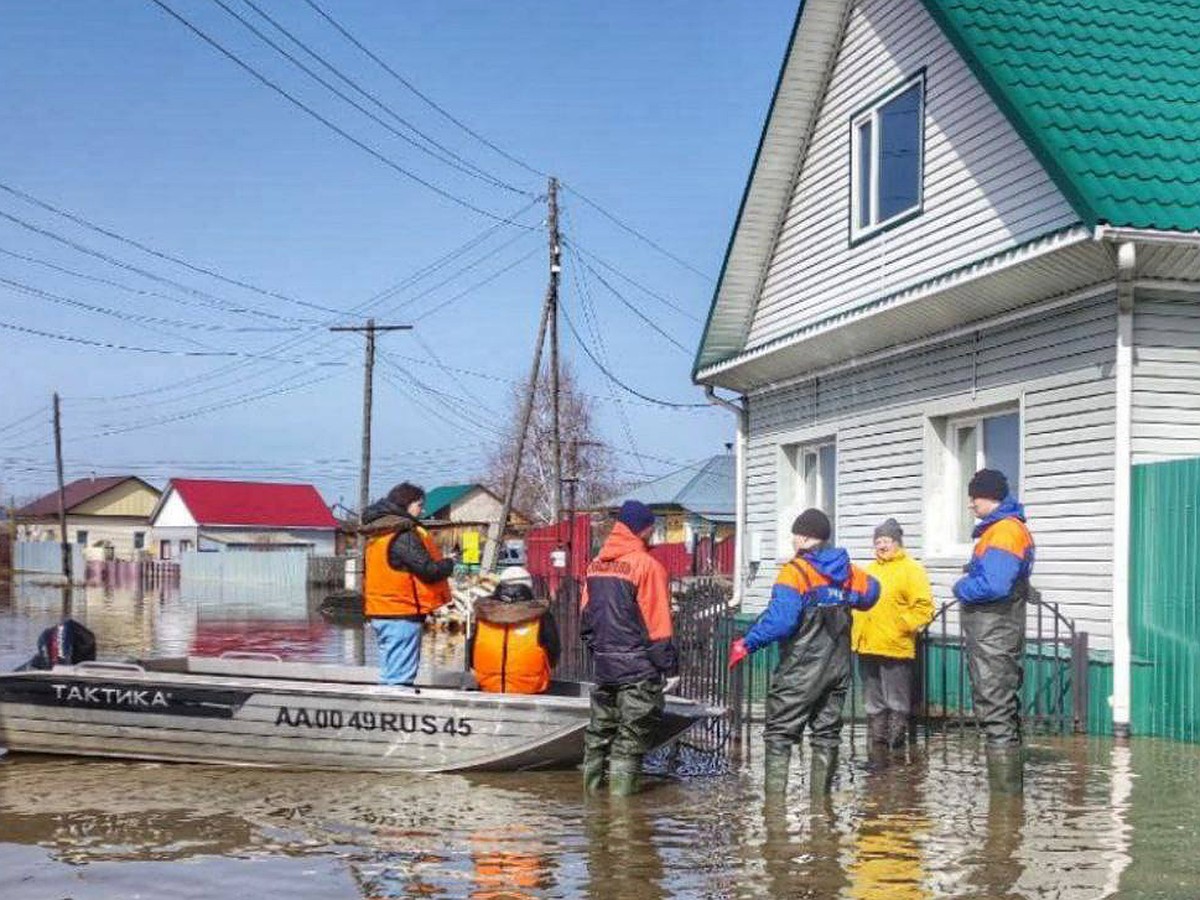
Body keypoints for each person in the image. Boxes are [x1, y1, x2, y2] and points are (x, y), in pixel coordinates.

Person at [728, 508, 879, 797]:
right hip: (837, 668)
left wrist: (746, 643)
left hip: (801, 668)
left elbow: (781, 622)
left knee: (779, 735)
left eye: (795, 534)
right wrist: (844, 594)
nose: (792, 539)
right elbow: (873, 593)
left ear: (805, 537)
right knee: (826, 734)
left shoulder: (794, 572)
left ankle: (775, 815)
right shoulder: (847, 572)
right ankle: (821, 813)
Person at [580, 499, 678, 796]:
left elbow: (585, 618)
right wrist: (668, 667)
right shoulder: (647, 567)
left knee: (597, 735)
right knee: (630, 741)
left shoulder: (595, 566)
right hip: (638, 670)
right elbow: (657, 624)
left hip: (605, 668)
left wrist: (600, 652)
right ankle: (622, 820)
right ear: (644, 529)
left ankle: (592, 810)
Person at [953, 468, 1034, 795]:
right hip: (995, 631)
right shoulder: (1003, 530)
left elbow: (996, 584)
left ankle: (1004, 811)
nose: (971, 504)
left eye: (975, 497)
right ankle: (1008, 804)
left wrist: (962, 586)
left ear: (990, 497)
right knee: (1000, 708)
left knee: (995, 708)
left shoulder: (1004, 532)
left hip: (994, 631)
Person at [852, 518, 935, 754]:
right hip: (867, 644)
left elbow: (924, 607)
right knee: (872, 700)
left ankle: (896, 747)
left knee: (896, 700)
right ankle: (878, 745)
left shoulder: (912, 569)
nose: (881, 546)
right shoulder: (868, 571)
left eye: (886, 541)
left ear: (897, 543)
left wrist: (901, 626)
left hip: (894, 645)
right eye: (878, 541)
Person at [360, 482, 455, 686]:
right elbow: (428, 571)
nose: (422, 510)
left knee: (390, 673)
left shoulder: (379, 532)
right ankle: (394, 714)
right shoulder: (403, 534)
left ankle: (385, 712)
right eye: (419, 504)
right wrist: (449, 564)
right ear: (406, 504)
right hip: (401, 614)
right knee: (399, 679)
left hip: (380, 612)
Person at [469, 566, 560, 694]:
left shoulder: (484, 613)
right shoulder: (541, 615)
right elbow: (553, 653)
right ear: (528, 587)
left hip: (488, 688)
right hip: (530, 690)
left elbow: (471, 652)